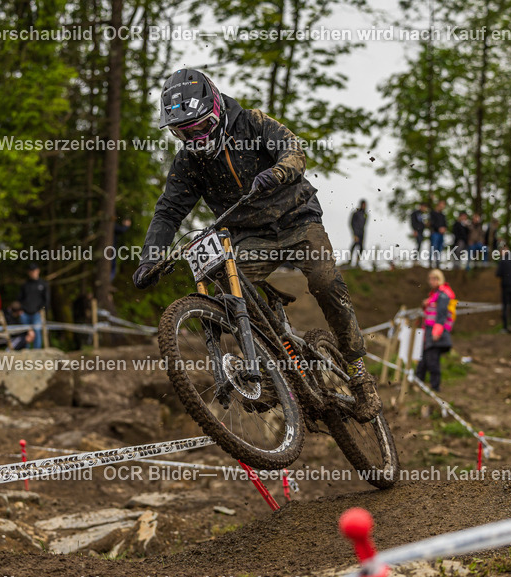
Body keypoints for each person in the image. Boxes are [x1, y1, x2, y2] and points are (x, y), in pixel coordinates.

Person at [131, 68, 381, 419]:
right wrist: (150, 258)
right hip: (250, 236)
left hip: (296, 218)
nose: (196, 139)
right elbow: (168, 211)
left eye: (200, 127)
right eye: (183, 132)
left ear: (216, 111)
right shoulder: (188, 162)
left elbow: (294, 151)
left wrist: (278, 172)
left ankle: (357, 372)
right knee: (226, 293)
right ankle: (271, 365)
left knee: (325, 282)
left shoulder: (251, 123)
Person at [416, 270, 454, 391]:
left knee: (432, 359)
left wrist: (437, 331)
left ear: (439, 279)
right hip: (428, 330)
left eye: (434, 278)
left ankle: (435, 386)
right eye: (430, 279)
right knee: (425, 358)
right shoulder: (435, 294)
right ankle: (418, 382)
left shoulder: (443, 294)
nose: (431, 281)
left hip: (435, 331)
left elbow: (442, 313)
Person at [18, 264, 50, 348]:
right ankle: (26, 352)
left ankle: (37, 352)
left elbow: (46, 300)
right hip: (25, 313)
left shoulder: (43, 284)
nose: (33, 273)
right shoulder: (25, 285)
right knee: (26, 333)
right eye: (31, 271)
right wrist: (21, 310)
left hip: (37, 314)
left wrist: (42, 310)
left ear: (38, 271)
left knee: (37, 331)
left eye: (34, 271)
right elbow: (20, 299)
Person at [349, 200, 367, 268]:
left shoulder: (365, 214)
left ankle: (357, 262)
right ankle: (349, 260)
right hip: (356, 232)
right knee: (354, 245)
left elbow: (364, 224)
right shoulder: (356, 213)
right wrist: (355, 234)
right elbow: (352, 223)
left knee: (361, 247)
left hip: (362, 233)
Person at [429, 200, 447, 267]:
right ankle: (430, 263)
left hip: (441, 235)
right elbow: (431, 223)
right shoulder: (432, 213)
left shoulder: (442, 215)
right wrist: (439, 228)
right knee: (434, 247)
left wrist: (444, 228)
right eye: (442, 204)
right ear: (439, 204)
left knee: (440, 248)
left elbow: (445, 224)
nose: (443, 206)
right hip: (435, 233)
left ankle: (437, 263)